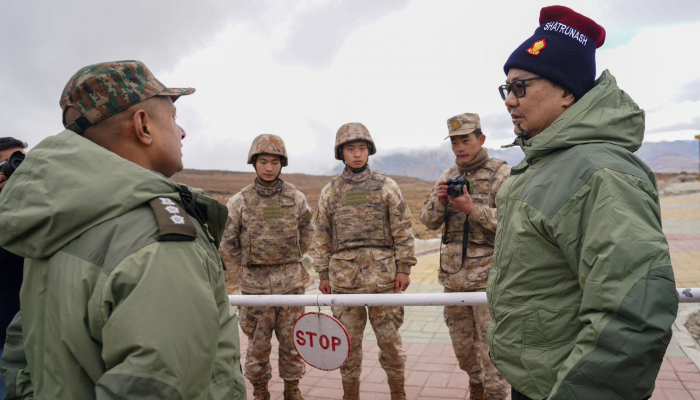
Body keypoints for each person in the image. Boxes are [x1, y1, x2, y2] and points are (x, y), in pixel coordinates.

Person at [0, 60, 246, 399]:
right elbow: (157, 386)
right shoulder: (157, 237)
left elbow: (19, 351)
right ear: (143, 125)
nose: (182, 131)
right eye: (173, 118)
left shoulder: (51, 221)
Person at [487, 6, 678, 400]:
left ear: (567, 92)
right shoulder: (548, 163)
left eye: (521, 86)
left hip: (566, 385)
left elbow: (633, 314)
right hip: (536, 377)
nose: (509, 101)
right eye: (507, 88)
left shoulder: (598, 173)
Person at [314, 122, 417, 400]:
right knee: (347, 346)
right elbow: (322, 233)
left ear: (369, 150)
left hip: (384, 280)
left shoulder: (386, 185)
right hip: (344, 283)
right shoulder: (331, 191)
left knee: (391, 344)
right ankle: (351, 395)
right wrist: (323, 273)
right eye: (351, 149)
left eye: (361, 148)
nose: (357, 154)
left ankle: (398, 393)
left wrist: (404, 267)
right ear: (342, 153)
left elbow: (403, 227)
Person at [420, 113, 510, 400]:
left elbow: (514, 222)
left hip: (488, 283)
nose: (460, 147)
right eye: (455, 142)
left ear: (481, 139)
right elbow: (428, 221)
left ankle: (493, 394)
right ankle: (476, 390)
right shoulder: (448, 176)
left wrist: (474, 209)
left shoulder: (501, 174)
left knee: (492, 354)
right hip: (453, 282)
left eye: (466, 140)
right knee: (464, 353)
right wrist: (440, 201)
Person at [220, 134, 315, 400]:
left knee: (293, 343)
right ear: (254, 163)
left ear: (282, 164)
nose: (269, 167)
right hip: (255, 288)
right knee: (257, 346)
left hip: (291, 285)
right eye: (263, 161)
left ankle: (292, 391)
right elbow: (227, 240)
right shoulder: (240, 201)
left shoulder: (295, 197)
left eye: (274, 162)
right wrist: (248, 264)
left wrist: (292, 256)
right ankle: (261, 392)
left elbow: (308, 230)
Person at [0, 137, 28, 400]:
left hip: (30, 340)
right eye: (7, 164)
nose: (15, 169)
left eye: (19, 162)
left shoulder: (32, 208)